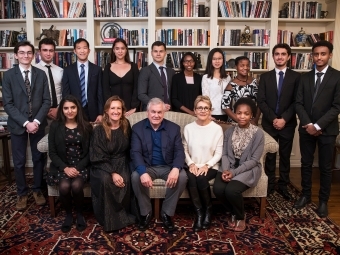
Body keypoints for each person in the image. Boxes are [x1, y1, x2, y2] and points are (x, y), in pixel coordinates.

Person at [2, 41, 50, 211]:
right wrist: (25, 123)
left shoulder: (41, 74)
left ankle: (37, 190)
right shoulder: (8, 76)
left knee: (38, 158)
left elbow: (46, 101)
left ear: (33, 54)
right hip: (18, 125)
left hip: (38, 123)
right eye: (22, 53)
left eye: (29, 52)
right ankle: (21, 193)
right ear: (16, 55)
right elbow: (7, 104)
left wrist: (35, 122)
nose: (25, 56)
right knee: (20, 161)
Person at [294, 40, 340, 218]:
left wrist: (319, 125)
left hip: (327, 130)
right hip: (306, 128)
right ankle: (305, 195)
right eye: (316, 54)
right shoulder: (303, 77)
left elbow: (337, 106)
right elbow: (298, 103)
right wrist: (309, 125)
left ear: (329, 55)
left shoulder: (337, 77)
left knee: (325, 167)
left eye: (323, 54)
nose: (319, 57)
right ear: (311, 56)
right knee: (306, 164)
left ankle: (323, 201)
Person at [130, 98, 187, 231]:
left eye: (159, 112)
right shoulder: (137, 128)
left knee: (183, 176)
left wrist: (176, 168)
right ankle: (146, 212)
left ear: (164, 113)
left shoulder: (173, 128)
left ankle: (166, 213)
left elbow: (179, 152)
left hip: (168, 166)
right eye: (153, 112)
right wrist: (143, 172)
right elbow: (135, 153)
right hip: (148, 166)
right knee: (135, 177)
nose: (156, 115)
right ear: (147, 112)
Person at [213, 97, 264, 232]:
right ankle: (233, 212)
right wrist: (225, 170)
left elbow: (254, 160)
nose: (242, 116)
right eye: (239, 113)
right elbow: (224, 153)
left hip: (248, 168)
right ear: (235, 114)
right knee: (218, 189)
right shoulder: (230, 130)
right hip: (228, 166)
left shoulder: (258, 133)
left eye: (246, 114)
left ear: (252, 115)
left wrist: (234, 173)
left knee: (231, 190)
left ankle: (240, 216)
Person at [257, 43, 301, 200]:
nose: (280, 57)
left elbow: (297, 101)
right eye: (277, 54)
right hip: (269, 123)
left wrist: (284, 119)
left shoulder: (296, 77)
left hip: (287, 124)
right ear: (273, 56)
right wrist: (274, 119)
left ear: (288, 57)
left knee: (285, 155)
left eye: (283, 54)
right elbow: (261, 101)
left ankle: (283, 185)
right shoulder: (265, 77)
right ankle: (269, 185)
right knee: (269, 156)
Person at [90, 96, 136, 232]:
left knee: (127, 179)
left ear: (122, 111)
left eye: (119, 108)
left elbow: (130, 148)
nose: (116, 111)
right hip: (102, 163)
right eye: (113, 108)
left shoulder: (126, 125)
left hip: (121, 161)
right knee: (107, 180)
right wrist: (113, 173)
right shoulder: (99, 130)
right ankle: (109, 219)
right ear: (106, 111)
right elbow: (97, 155)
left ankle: (123, 216)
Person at [48, 95, 92, 233]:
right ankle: (68, 215)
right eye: (66, 108)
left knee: (77, 185)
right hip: (62, 165)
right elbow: (52, 152)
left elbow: (91, 152)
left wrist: (77, 168)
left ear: (78, 108)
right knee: (65, 186)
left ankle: (79, 215)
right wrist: (65, 168)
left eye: (73, 107)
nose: (70, 111)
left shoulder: (86, 126)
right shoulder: (55, 126)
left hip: (81, 165)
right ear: (62, 110)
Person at [183, 95, 223, 231]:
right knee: (191, 178)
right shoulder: (188, 128)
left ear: (210, 111)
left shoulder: (217, 129)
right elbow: (184, 150)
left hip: (211, 165)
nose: (203, 110)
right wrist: (191, 164)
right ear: (194, 110)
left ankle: (208, 210)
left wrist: (207, 165)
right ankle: (199, 213)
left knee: (201, 178)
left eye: (206, 108)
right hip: (193, 164)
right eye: (200, 108)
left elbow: (219, 153)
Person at [62, 38, 103, 122]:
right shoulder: (68, 70)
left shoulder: (97, 69)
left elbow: (100, 93)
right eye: (79, 48)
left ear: (89, 50)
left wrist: (101, 113)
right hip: (74, 110)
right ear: (75, 51)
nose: (82, 51)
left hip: (92, 110)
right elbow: (66, 93)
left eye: (85, 48)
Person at [102, 38, 140, 116]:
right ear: (113, 50)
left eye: (122, 48)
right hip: (113, 110)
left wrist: (134, 107)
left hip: (131, 110)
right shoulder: (108, 67)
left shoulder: (133, 66)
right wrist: (110, 108)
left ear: (126, 50)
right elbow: (105, 91)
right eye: (117, 48)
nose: (120, 51)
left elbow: (137, 88)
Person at [221, 56, 260, 124]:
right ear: (236, 67)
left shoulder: (255, 82)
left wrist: (256, 119)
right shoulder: (231, 85)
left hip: (252, 121)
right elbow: (224, 106)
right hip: (236, 121)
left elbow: (260, 102)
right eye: (242, 65)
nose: (245, 68)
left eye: (247, 65)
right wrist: (239, 119)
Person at [138, 41, 175, 111]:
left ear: (165, 53)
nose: (158, 54)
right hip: (151, 111)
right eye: (155, 51)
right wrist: (158, 105)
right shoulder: (145, 71)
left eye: (161, 51)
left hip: (169, 110)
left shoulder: (171, 71)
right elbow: (141, 94)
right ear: (152, 53)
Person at [34, 38, 63, 126]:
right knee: (41, 140)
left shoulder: (60, 70)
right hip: (39, 114)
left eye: (51, 50)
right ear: (39, 51)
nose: (48, 53)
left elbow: (64, 92)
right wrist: (45, 111)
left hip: (59, 113)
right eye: (45, 50)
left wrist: (59, 109)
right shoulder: (34, 70)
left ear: (54, 52)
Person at [202, 48, 231, 121]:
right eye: (214, 59)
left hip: (226, 113)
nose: (217, 61)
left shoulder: (228, 77)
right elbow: (205, 98)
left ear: (223, 60)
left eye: (219, 58)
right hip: (212, 113)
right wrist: (208, 114)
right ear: (210, 60)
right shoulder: (206, 77)